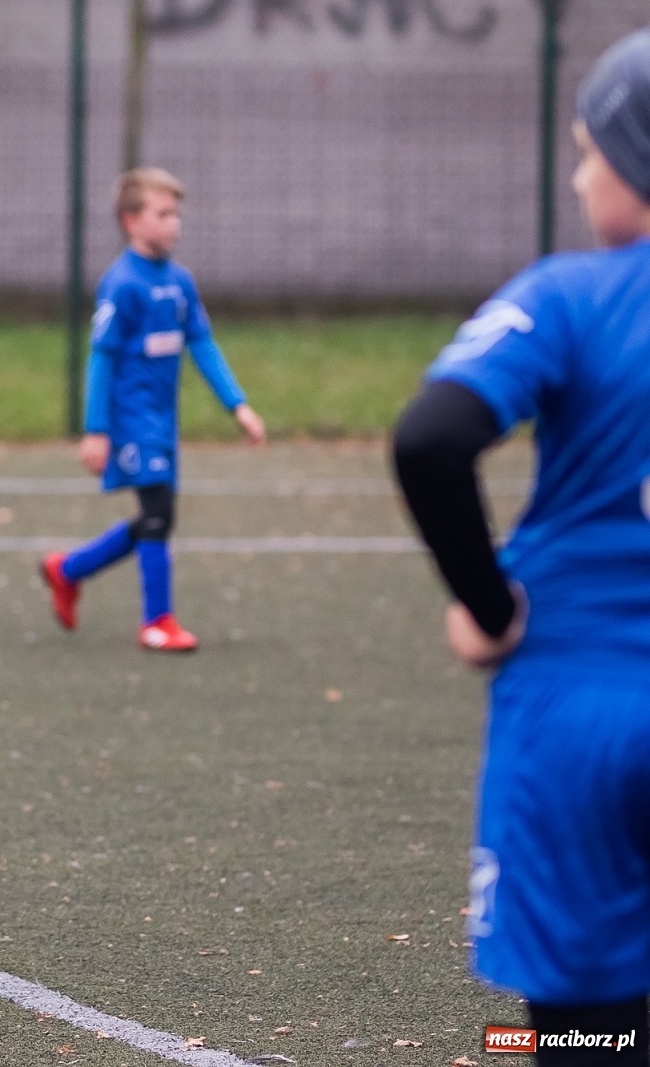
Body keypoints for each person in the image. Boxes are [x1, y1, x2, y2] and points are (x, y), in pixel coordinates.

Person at [392, 29, 650, 1063]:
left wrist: (489, 607)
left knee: (581, 1035)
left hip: (580, 709)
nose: (583, 174)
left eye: (592, 150)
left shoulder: (572, 294)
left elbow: (429, 436)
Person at [41, 168, 265, 649]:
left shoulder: (180, 282)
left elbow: (201, 344)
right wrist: (96, 429)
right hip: (130, 419)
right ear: (131, 221)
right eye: (162, 214)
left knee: (157, 517)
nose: (174, 224)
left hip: (163, 419)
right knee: (159, 512)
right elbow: (101, 359)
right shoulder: (121, 284)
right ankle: (157, 622)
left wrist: (238, 405)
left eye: (175, 214)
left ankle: (68, 569)